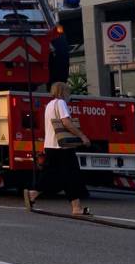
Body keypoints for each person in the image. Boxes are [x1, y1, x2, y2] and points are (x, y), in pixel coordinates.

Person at [23, 81, 91, 216]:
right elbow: (66, 122)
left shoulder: (49, 105)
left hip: (51, 146)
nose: (69, 94)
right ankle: (75, 207)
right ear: (63, 91)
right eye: (67, 91)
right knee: (72, 175)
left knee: (54, 174)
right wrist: (82, 136)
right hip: (62, 146)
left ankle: (34, 194)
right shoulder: (61, 103)